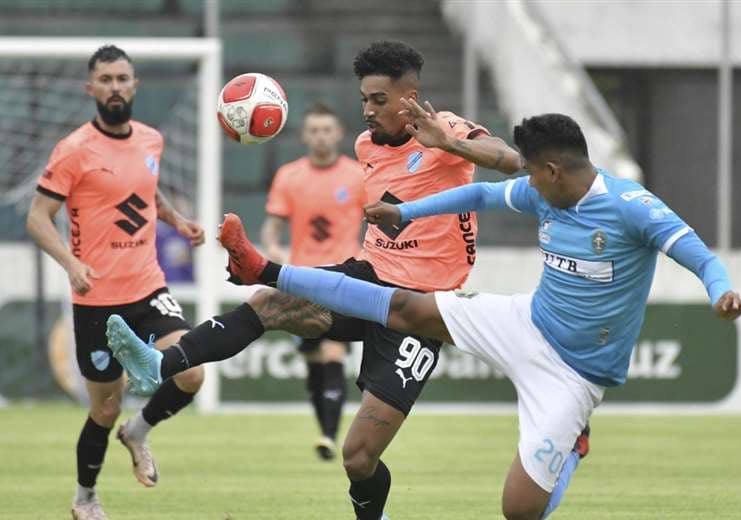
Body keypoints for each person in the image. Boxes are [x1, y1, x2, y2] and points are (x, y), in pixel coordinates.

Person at [201, 112, 741, 519]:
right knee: (404, 307)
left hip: (576, 373)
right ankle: (267, 271)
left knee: (519, 511)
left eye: (532, 174)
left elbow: (697, 253)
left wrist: (721, 291)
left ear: (554, 170)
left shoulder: (632, 207)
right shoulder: (544, 192)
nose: (527, 183)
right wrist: (404, 212)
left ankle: (571, 443)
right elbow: (481, 197)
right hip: (526, 322)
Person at [106, 40, 521, 520]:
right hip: (368, 280)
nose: (367, 110)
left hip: (422, 310)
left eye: (379, 100)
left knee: (359, 456)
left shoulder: (446, 128)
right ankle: (159, 366)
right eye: (364, 99)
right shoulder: (366, 145)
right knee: (269, 302)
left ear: (410, 97)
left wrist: (450, 144)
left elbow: (508, 159)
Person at [26, 45, 206, 520]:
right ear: (91, 89)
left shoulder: (151, 139)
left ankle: (141, 430)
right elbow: (38, 217)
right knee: (105, 409)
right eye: (104, 79)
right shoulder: (73, 150)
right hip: (97, 299)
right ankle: (85, 497)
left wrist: (176, 218)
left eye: (122, 78)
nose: (114, 87)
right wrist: (70, 262)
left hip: (148, 286)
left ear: (135, 85)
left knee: (192, 372)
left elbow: (145, 190)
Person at [261, 102, 365, 460]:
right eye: (314, 130)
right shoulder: (289, 176)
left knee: (333, 352)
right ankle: (326, 431)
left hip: (343, 279)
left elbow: (380, 223)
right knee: (314, 362)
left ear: (338, 134)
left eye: (327, 129)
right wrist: (273, 250)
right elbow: (272, 228)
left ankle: (329, 436)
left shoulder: (357, 176)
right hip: (302, 281)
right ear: (305, 135)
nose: (321, 136)